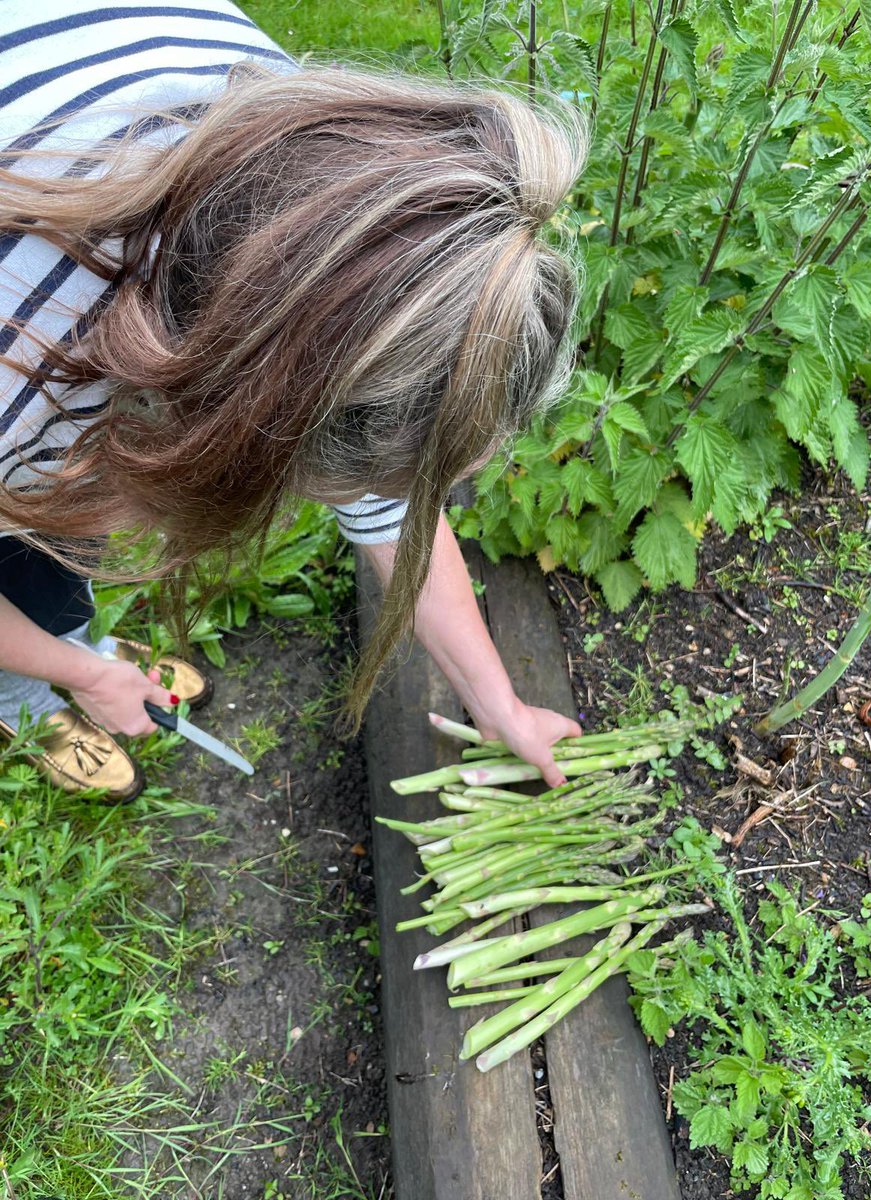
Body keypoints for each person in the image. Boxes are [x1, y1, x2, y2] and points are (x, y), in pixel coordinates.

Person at [0, 0, 588, 802]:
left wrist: (499, 704)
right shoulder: (22, 376)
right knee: (37, 535)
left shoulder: (323, 170)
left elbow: (389, 507)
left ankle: (75, 642)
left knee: (59, 531)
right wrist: (76, 675)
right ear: (268, 416)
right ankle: (30, 701)